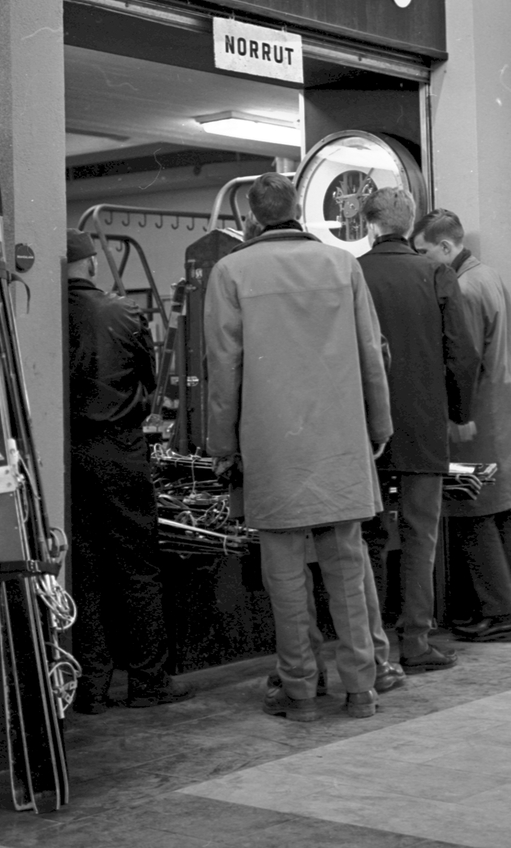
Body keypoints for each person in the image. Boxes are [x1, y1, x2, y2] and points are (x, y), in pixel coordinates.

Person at [205, 173, 393, 721]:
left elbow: (224, 367)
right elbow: (370, 351)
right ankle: (361, 689)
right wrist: (378, 425)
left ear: (252, 217)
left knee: (285, 578)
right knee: (348, 569)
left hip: (272, 446)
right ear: (298, 209)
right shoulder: (342, 265)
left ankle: (301, 692)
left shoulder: (230, 271)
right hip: (339, 441)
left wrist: (222, 444)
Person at [411, 209, 511, 642]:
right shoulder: (488, 276)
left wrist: (453, 416)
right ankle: (502, 608)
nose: (420, 261)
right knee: (501, 510)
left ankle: (501, 613)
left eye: (423, 251)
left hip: (477, 419)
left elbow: (463, 359)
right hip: (503, 417)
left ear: (445, 246)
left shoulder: (463, 288)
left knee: (471, 510)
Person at [66, 229, 193, 712]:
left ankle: (90, 688)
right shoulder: (124, 313)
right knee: (138, 567)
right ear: (92, 264)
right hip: (121, 451)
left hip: (69, 456)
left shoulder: (43, 316)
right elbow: (148, 379)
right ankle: (148, 681)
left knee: (84, 570)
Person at [358, 188, 481, 674]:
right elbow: (462, 352)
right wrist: (459, 412)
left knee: (366, 535)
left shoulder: (352, 273)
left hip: (363, 426)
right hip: (424, 424)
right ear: (410, 225)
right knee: (420, 533)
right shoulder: (435, 273)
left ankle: (369, 645)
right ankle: (415, 640)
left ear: (369, 224)